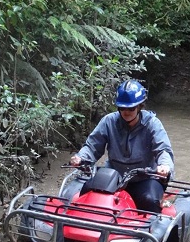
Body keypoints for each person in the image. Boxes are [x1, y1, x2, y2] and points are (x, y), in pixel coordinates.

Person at [69, 80, 174, 214]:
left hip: (144, 177)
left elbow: (163, 149)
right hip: (113, 175)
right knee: (87, 191)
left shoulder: (152, 124)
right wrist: (80, 157)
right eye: (122, 108)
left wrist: (164, 166)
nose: (126, 112)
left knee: (149, 200)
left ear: (140, 106)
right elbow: (92, 146)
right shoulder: (109, 121)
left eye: (131, 108)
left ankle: (149, 233)